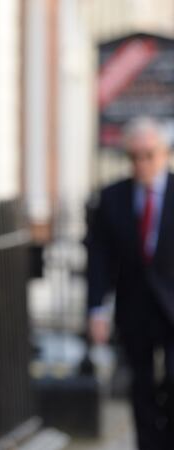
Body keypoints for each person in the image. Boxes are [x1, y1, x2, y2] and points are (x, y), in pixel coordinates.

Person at [86, 117, 174, 450]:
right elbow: (99, 258)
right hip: (135, 309)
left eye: (149, 155)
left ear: (164, 154)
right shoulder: (113, 198)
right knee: (141, 386)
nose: (142, 164)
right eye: (134, 157)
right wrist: (96, 309)